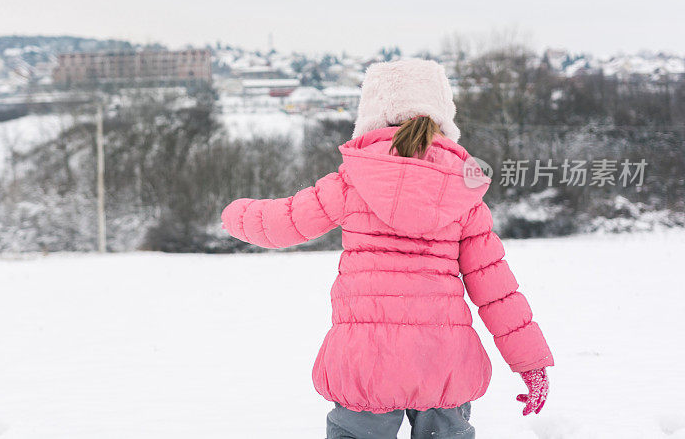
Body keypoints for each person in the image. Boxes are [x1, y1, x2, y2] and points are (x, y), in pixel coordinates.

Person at [221, 58, 553, 438]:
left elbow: (287, 221)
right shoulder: (465, 189)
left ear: (372, 113)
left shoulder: (353, 179)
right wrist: (531, 363)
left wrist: (235, 215)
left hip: (368, 359)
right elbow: (496, 291)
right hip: (443, 359)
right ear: (442, 113)